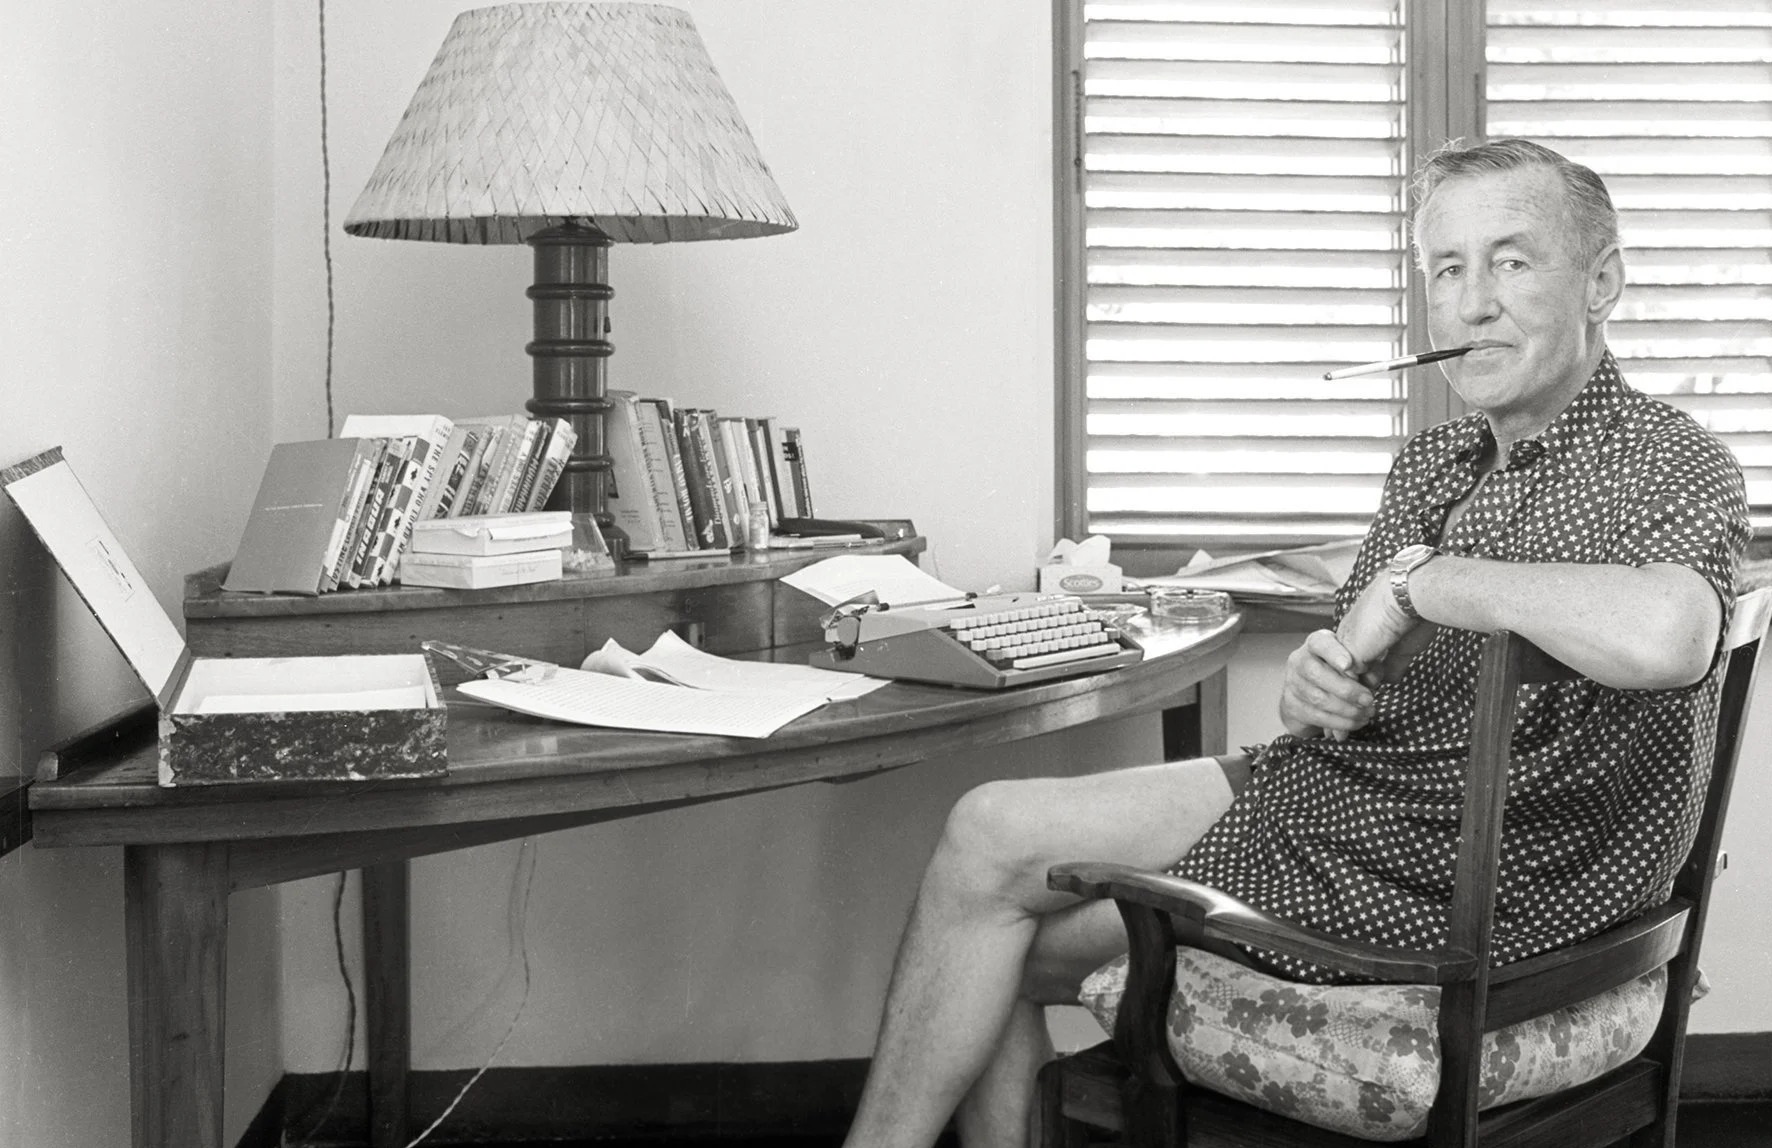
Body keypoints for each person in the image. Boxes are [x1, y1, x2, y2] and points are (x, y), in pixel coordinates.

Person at [839, 138, 1752, 1148]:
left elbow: (1672, 633)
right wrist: (1321, 683)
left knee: (997, 941)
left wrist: (1424, 580)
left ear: (1601, 283)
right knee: (985, 830)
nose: (1471, 305)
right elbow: (1350, 674)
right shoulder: (1432, 462)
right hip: (1337, 799)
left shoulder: (1668, 460)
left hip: (1441, 875)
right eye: (1446, 269)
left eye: (1511, 262)